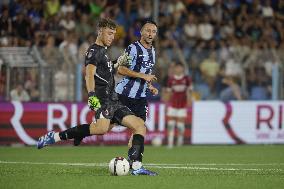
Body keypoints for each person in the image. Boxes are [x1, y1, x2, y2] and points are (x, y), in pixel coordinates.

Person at [37, 18, 157, 176]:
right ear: (99, 31)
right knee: (100, 129)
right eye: (109, 33)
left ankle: (136, 167)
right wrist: (91, 94)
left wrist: (116, 62)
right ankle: (55, 136)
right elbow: (89, 74)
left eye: (113, 34)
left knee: (139, 126)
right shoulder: (94, 51)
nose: (111, 37)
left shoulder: (104, 53)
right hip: (103, 101)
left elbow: (108, 70)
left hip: (114, 100)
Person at [115, 20, 159, 147]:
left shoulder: (153, 52)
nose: (151, 34)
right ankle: (70, 134)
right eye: (148, 30)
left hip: (140, 97)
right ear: (141, 32)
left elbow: (146, 73)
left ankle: (133, 160)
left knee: (139, 128)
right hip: (124, 95)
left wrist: (150, 86)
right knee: (103, 128)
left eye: (154, 31)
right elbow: (121, 69)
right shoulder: (132, 48)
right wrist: (143, 76)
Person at [165, 62, 192, 148]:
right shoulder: (171, 80)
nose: (178, 69)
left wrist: (189, 100)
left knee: (180, 125)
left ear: (183, 69)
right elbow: (168, 93)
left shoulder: (187, 79)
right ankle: (170, 143)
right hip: (173, 104)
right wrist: (166, 105)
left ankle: (180, 141)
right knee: (170, 124)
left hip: (182, 105)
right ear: (175, 69)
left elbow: (189, 91)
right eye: (177, 68)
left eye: (180, 68)